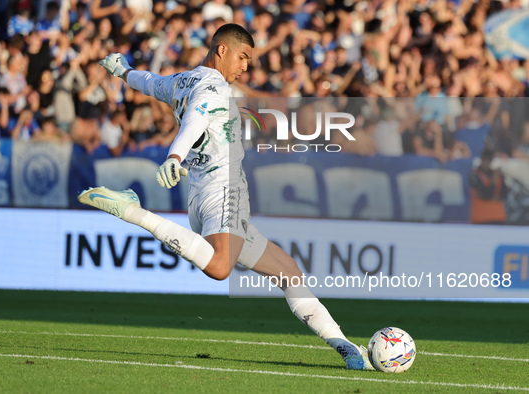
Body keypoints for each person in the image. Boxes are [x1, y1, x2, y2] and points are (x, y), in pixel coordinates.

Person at [79, 24, 373, 371]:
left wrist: (123, 71)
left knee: (289, 273)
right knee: (220, 267)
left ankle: (345, 346)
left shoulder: (183, 80)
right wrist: (174, 157)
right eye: (243, 57)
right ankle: (134, 212)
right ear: (221, 49)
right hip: (224, 190)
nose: (245, 66)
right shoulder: (214, 89)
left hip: (202, 196)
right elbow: (196, 119)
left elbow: (150, 83)